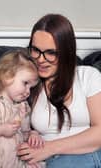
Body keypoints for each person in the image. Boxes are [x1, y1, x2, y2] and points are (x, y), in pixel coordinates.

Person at [17, 14, 101, 167]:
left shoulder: (87, 76)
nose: (41, 59)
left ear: (66, 52)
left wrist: (50, 148)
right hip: (47, 161)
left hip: (89, 155)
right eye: (35, 50)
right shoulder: (26, 84)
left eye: (50, 53)